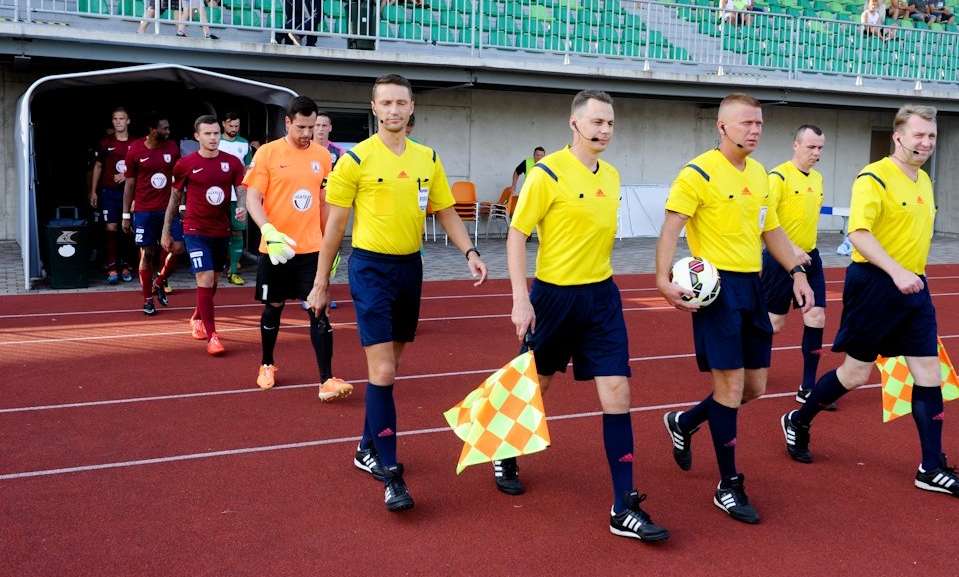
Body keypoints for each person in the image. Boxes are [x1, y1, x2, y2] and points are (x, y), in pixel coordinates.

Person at [780, 105, 959, 500]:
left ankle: (931, 467)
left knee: (928, 371)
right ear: (898, 136)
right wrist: (896, 272)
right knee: (856, 375)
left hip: (914, 289)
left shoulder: (923, 180)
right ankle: (798, 420)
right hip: (874, 285)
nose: (926, 143)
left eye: (932, 136)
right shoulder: (873, 177)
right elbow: (858, 233)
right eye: (919, 135)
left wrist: (912, 275)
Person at [308, 73, 488, 512]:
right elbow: (335, 226)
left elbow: (444, 209)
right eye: (385, 102)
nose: (393, 109)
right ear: (374, 108)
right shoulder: (355, 160)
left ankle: (365, 447)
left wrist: (470, 251)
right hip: (370, 268)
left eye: (400, 103)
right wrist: (320, 282)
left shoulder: (428, 157)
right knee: (383, 371)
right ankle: (390, 474)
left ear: (410, 108)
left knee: (390, 369)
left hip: (411, 269)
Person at [494, 89, 669, 542]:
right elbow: (516, 237)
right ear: (575, 124)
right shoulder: (546, 173)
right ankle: (505, 450)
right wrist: (520, 297)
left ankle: (623, 505)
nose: (605, 130)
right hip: (553, 298)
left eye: (610, 123)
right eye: (596, 122)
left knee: (618, 392)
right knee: (538, 384)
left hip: (602, 298)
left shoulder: (611, 175)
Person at [656, 93, 814, 524]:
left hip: (755, 287)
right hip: (717, 291)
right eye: (746, 123)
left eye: (759, 123)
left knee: (754, 389)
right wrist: (661, 280)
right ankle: (728, 484)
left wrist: (796, 273)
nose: (756, 130)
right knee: (728, 389)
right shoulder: (698, 173)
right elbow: (672, 226)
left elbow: (772, 231)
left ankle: (685, 422)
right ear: (722, 127)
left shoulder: (762, 173)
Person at [243, 96, 354, 399]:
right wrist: (267, 229)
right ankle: (267, 363)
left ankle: (326, 380)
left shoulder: (324, 156)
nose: (307, 133)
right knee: (274, 307)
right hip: (277, 249)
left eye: (312, 126)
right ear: (288, 122)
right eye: (301, 127)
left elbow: (324, 202)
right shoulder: (268, 153)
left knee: (318, 309)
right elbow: (253, 198)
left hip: (311, 250)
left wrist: (330, 245)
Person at [763, 125, 834, 408]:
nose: (816, 153)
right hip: (780, 259)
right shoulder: (777, 177)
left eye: (820, 148)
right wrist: (791, 250)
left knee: (816, 317)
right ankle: (752, 365)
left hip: (811, 259)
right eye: (811, 147)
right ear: (795, 145)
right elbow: (765, 223)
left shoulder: (817, 179)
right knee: (774, 324)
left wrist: (805, 252)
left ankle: (808, 387)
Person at [164, 115, 247, 356]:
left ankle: (197, 316)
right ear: (197, 136)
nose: (213, 138)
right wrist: (166, 230)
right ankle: (213, 336)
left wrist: (241, 206)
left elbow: (241, 190)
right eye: (207, 134)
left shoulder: (231, 163)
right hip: (194, 229)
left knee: (215, 280)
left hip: (221, 230)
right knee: (206, 278)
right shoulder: (185, 164)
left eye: (215, 133)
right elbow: (174, 199)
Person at [122, 112, 183, 315]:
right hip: (144, 212)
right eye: (164, 128)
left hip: (168, 209)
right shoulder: (135, 150)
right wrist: (125, 215)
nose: (168, 131)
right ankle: (148, 299)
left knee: (177, 249)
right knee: (147, 253)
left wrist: (181, 206)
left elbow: (179, 180)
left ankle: (160, 280)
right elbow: (129, 184)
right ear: (152, 129)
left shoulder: (172, 147)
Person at [90, 106, 138, 284]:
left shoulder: (136, 143)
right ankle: (111, 266)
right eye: (115, 119)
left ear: (128, 121)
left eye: (121, 118)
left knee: (127, 228)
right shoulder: (105, 143)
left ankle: (126, 264)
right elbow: (98, 166)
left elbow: (141, 168)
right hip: (109, 192)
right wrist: (93, 190)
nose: (118, 122)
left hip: (128, 193)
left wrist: (126, 174)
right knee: (111, 228)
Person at [218, 112, 253, 286]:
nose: (234, 129)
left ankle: (233, 271)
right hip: (217, 196)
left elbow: (248, 169)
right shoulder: (216, 141)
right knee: (217, 232)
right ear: (223, 124)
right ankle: (215, 266)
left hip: (237, 195)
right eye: (231, 126)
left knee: (237, 231)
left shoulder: (244, 143)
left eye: (237, 126)